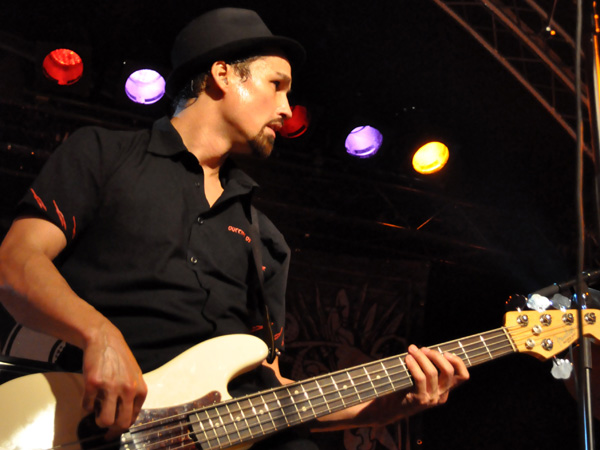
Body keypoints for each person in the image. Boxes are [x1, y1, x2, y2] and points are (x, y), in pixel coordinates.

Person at [0, 7, 469, 448]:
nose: (287, 109)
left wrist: (390, 406)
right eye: (276, 84)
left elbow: (273, 391)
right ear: (223, 74)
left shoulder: (266, 240)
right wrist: (99, 335)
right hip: (96, 426)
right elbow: (17, 262)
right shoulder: (104, 154)